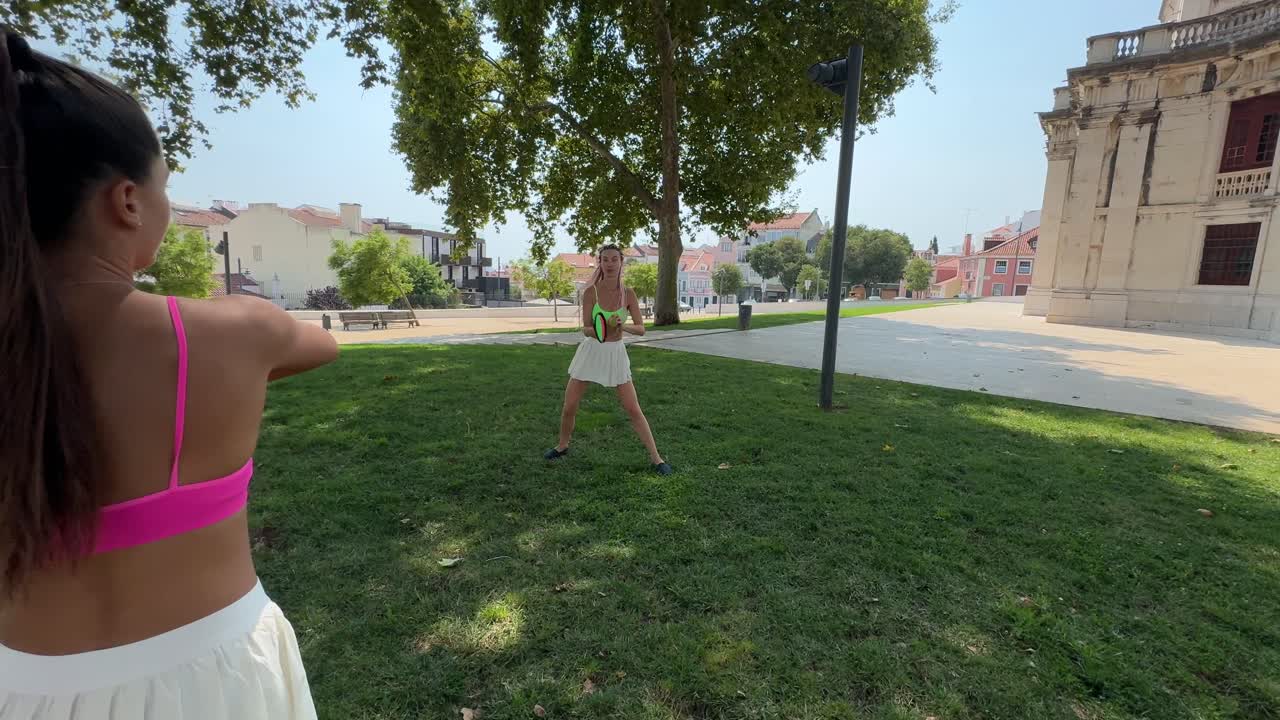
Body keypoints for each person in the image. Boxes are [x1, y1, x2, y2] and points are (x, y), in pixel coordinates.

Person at [0, 32, 337, 718]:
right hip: (215, 683)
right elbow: (320, 347)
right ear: (127, 202)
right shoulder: (234, 333)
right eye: (166, 185)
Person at [544, 245, 673, 475]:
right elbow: (585, 329)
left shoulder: (629, 293)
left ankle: (657, 459)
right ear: (600, 263)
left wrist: (622, 326)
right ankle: (562, 446)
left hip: (616, 354)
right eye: (605, 259)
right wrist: (602, 329)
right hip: (591, 352)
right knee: (570, 406)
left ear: (621, 262)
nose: (610, 263)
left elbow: (641, 329)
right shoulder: (590, 292)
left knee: (633, 408)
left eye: (615, 259)